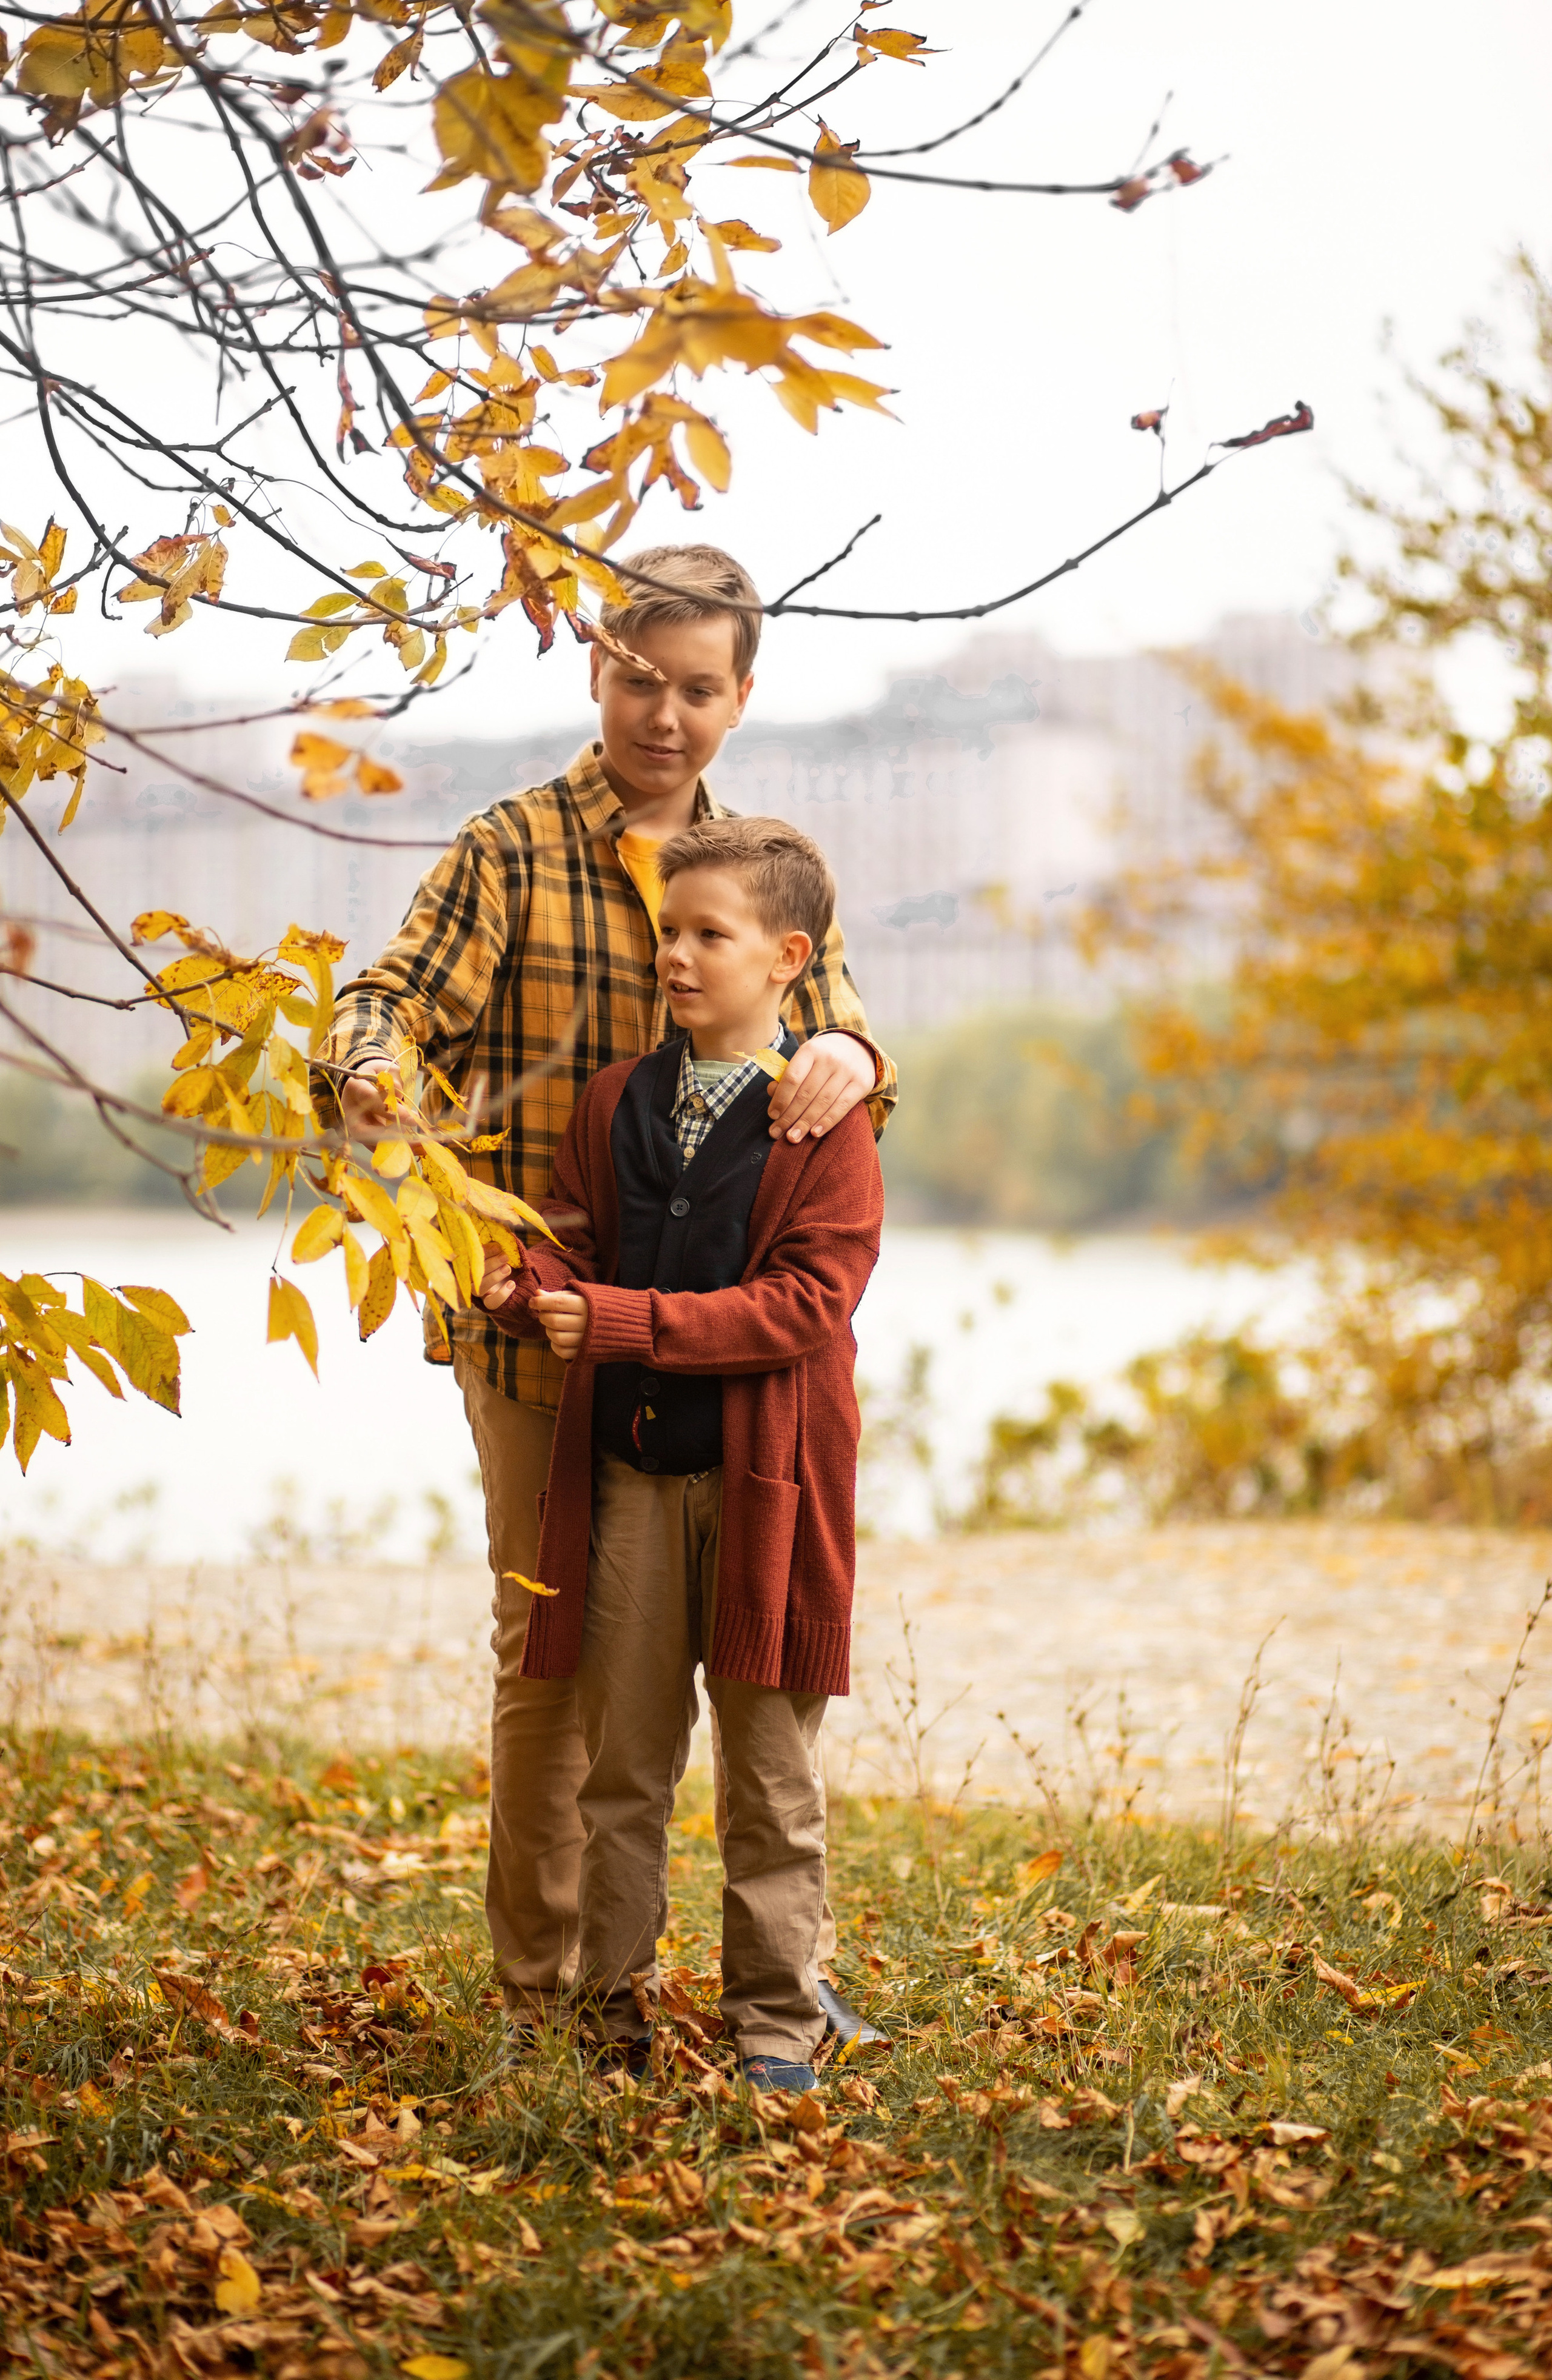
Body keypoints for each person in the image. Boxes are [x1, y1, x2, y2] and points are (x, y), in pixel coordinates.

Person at [321, 545, 895, 2048]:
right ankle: (551, 1991)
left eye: (697, 687)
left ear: (739, 696)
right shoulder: (510, 849)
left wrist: (862, 1059)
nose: (663, 713)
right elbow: (388, 999)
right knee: (557, 1657)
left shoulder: (760, 869)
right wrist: (368, 1072)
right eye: (638, 678)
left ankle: (723, 1986)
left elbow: (825, 1053)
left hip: (720, 1358)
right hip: (542, 1327)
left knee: (723, 1679)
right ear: (594, 669)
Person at [477, 815, 881, 2089]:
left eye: (710, 934)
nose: (677, 955)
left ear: (786, 959)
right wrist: (520, 1276)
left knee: (768, 1773)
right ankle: (607, 2011)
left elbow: (805, 1306)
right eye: (668, 931)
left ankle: (775, 2016)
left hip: (769, 1493)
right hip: (634, 1484)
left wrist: (614, 1321)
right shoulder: (615, 1100)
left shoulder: (824, 1126)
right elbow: (575, 1238)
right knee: (622, 1767)